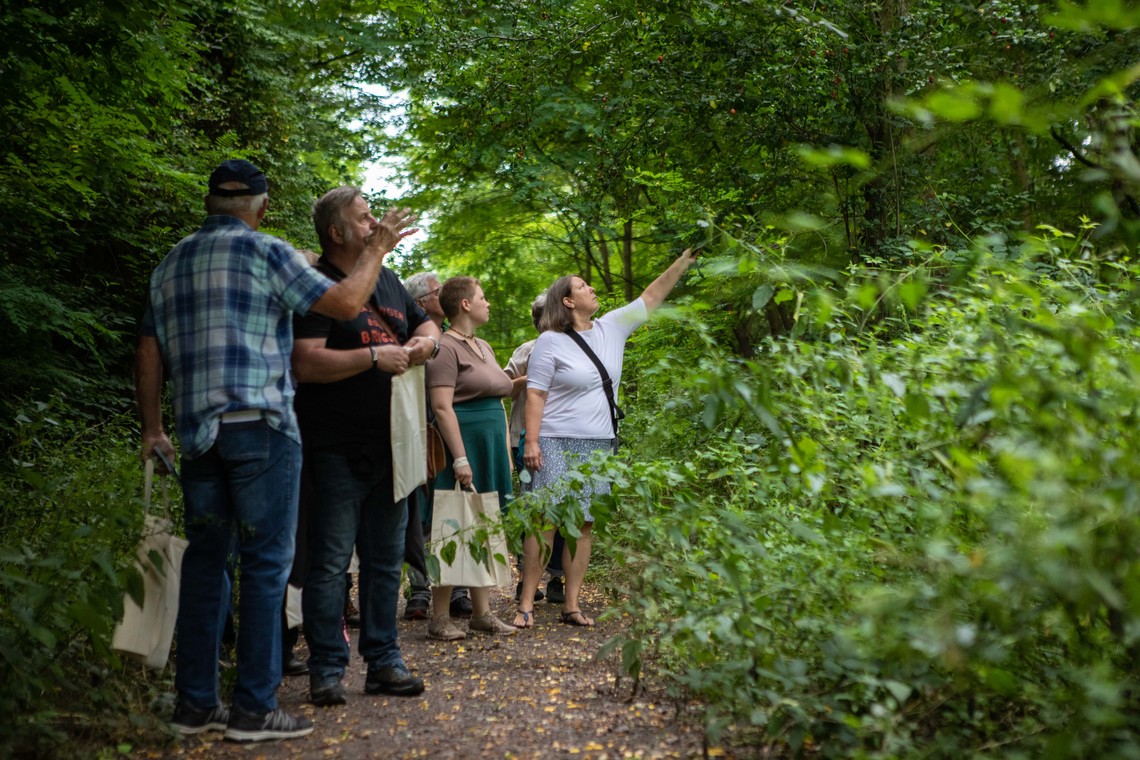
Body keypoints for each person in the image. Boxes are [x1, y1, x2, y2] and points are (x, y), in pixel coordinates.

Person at [135, 159, 417, 742]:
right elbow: (342, 305)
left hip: (196, 435)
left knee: (206, 563)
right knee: (266, 567)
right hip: (261, 429)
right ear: (261, 209)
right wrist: (378, 249)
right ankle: (256, 708)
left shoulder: (170, 263)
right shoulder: (269, 253)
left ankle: (195, 705)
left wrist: (152, 428)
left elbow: (148, 347)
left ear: (211, 204)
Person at [292, 186, 440, 707]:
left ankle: (384, 661)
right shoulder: (316, 285)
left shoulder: (391, 281)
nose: (375, 225)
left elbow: (426, 326)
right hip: (335, 447)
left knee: (384, 561)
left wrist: (427, 342)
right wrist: (374, 358)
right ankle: (327, 668)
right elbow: (305, 363)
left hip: (395, 446)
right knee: (331, 562)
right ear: (336, 233)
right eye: (364, 219)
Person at [514, 249, 698, 629]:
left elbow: (651, 297)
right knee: (544, 519)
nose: (592, 288)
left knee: (583, 523)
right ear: (568, 301)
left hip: (598, 444)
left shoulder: (612, 327)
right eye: (583, 286)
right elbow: (536, 394)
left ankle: (572, 605)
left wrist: (682, 261)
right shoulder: (549, 341)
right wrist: (530, 442)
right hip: (552, 439)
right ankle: (526, 604)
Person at [424, 276, 519, 640]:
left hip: (490, 442)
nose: (487, 302)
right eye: (482, 297)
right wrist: (460, 459)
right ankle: (439, 617)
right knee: (453, 523)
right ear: (465, 304)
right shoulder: (445, 348)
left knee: (484, 523)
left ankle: (482, 613)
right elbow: (441, 406)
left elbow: (500, 389)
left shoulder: (483, 345)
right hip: (461, 443)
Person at [403, 271, 474, 619]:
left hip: (447, 435)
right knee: (417, 514)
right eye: (437, 291)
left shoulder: (453, 339)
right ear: (420, 303)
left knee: (451, 511)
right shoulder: (407, 339)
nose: (443, 294)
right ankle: (419, 591)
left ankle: (457, 588)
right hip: (412, 435)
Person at [503, 294, 563, 604]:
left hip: (565, 439)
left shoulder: (572, 348)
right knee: (533, 509)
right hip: (524, 441)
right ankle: (526, 578)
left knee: (566, 507)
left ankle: (557, 579)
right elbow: (502, 386)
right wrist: (533, 378)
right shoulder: (526, 350)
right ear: (539, 320)